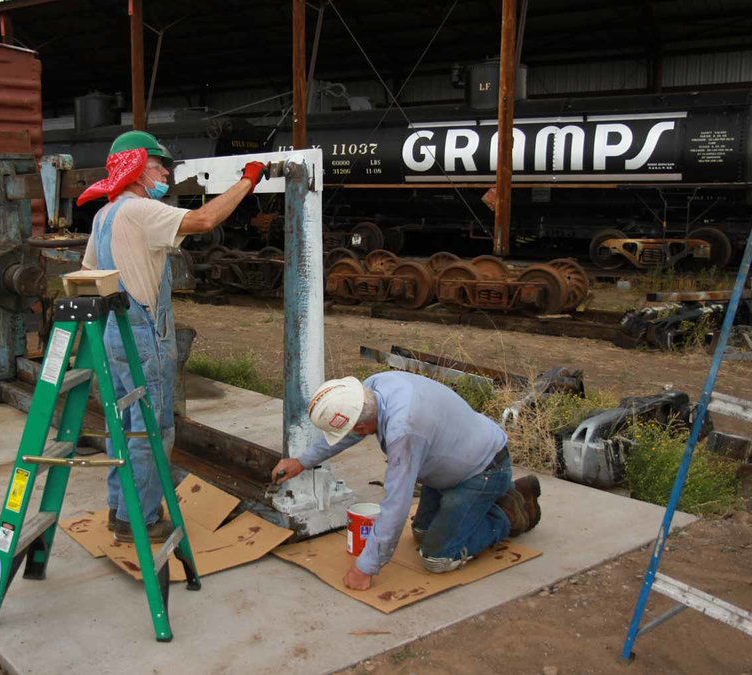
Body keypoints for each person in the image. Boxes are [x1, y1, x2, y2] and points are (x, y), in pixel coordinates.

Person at [77, 130, 265, 543]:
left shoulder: (104, 215)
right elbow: (204, 220)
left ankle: (119, 509)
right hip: (143, 332)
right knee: (153, 429)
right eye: (160, 164)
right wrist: (248, 180)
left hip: (112, 329)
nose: (165, 172)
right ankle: (138, 521)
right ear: (138, 167)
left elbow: (90, 269)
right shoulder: (141, 209)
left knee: (121, 425)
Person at [271, 372, 541, 590]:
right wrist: (301, 461)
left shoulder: (404, 433)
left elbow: (397, 506)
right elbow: (352, 431)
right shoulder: (373, 390)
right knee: (421, 535)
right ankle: (499, 495)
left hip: (483, 470)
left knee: (437, 557)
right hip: (452, 462)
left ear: (361, 425)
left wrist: (365, 567)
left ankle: (509, 512)